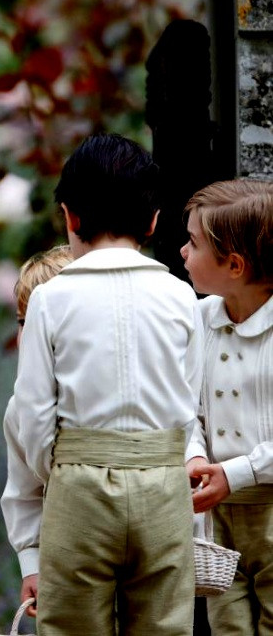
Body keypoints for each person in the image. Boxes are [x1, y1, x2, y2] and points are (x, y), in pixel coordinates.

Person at [11, 132, 204, 635]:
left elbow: (32, 413)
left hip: (78, 481)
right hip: (163, 479)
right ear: (154, 220)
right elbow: (190, 402)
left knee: (73, 624)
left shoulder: (51, 301)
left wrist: (66, 468)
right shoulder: (182, 298)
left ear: (70, 217)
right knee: (165, 622)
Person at [181, 178, 273, 635]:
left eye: (194, 243)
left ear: (233, 265)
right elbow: (185, 404)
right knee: (228, 627)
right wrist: (194, 455)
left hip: (272, 507)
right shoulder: (199, 319)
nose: (181, 251)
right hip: (217, 519)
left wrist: (237, 474)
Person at [0, 243, 73, 620]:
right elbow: (22, 490)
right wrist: (31, 561)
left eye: (39, 321)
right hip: (62, 554)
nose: (27, 334)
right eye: (21, 320)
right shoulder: (20, 407)